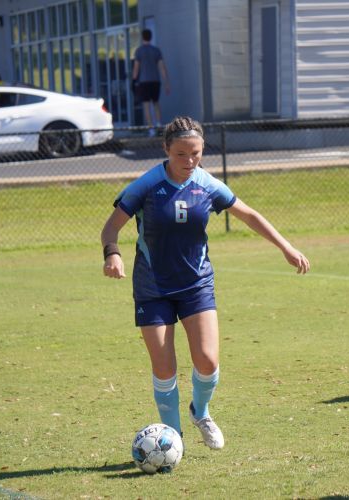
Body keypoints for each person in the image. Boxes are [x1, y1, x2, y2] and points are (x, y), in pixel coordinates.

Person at [101, 116, 310, 451]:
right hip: (153, 288)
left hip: (196, 284)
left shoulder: (208, 184)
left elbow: (249, 215)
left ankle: (200, 412)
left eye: (196, 153)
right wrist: (112, 254)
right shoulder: (146, 185)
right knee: (164, 368)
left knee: (208, 361)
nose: (189, 161)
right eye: (181, 154)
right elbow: (110, 228)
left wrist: (286, 247)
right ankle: (172, 438)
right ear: (166, 149)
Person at [132, 29, 171, 137]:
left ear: (142, 37)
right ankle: (158, 124)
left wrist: (133, 80)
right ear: (151, 37)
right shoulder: (156, 51)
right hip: (155, 81)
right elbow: (162, 67)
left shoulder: (139, 51)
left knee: (146, 105)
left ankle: (151, 129)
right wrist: (166, 82)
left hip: (144, 81)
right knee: (156, 103)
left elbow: (136, 68)